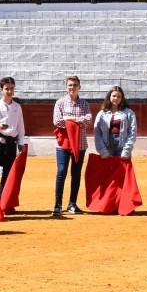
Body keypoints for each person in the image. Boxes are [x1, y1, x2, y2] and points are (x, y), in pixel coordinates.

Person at [52, 75, 91, 216]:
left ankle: (72, 204)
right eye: (70, 85)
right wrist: (77, 122)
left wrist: (70, 119)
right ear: (66, 87)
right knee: (61, 172)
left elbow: (88, 120)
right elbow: (57, 121)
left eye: (75, 85)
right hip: (64, 143)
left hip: (80, 144)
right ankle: (57, 205)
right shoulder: (60, 103)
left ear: (79, 87)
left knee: (76, 173)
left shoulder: (85, 104)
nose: (72, 87)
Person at [0, 76, 26, 200]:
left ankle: (1, 200)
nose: (9, 91)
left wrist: (21, 142)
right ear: (1, 90)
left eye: (11, 88)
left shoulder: (17, 107)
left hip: (11, 142)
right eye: (7, 89)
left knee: (8, 172)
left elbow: (20, 126)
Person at [94, 85, 137, 160]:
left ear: (122, 98)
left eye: (119, 96)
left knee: (122, 170)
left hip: (123, 145)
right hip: (107, 146)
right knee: (108, 171)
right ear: (109, 97)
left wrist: (127, 150)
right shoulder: (102, 113)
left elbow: (132, 132)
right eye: (114, 96)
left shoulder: (129, 113)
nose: (116, 98)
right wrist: (102, 150)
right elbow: (97, 132)